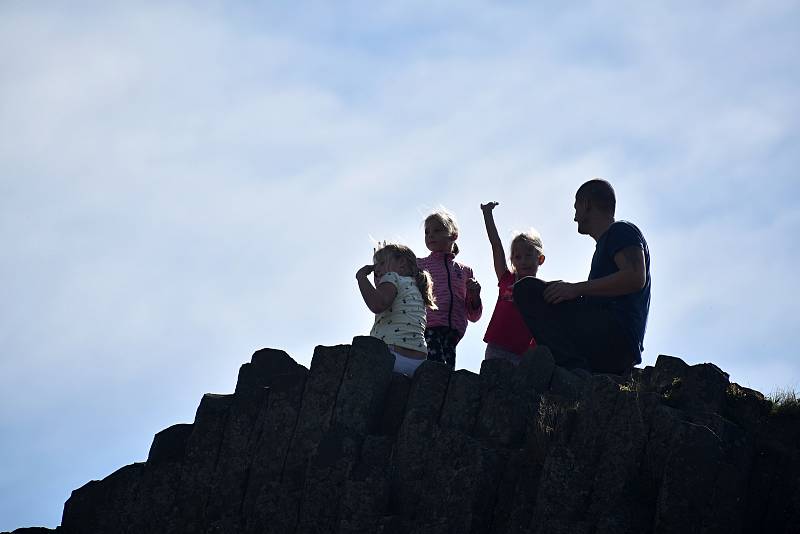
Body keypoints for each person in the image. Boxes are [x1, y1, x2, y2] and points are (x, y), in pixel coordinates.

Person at [513, 179, 650, 374]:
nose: (575, 217)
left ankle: (571, 366)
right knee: (544, 292)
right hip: (607, 340)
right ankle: (574, 366)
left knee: (527, 290)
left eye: (576, 207)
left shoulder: (621, 231)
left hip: (617, 337)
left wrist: (575, 289)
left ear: (586, 205)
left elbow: (635, 277)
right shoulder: (604, 246)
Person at [356, 243, 437, 376]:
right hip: (418, 360)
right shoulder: (417, 288)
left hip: (392, 354)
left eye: (381, 263)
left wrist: (361, 277)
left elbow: (377, 304)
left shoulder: (392, 277)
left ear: (402, 263)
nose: (377, 270)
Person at [480, 202, 544, 364]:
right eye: (517, 257)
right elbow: (496, 246)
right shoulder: (506, 279)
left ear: (540, 258)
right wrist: (487, 214)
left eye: (528, 255)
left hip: (522, 353)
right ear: (512, 261)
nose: (523, 261)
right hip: (496, 347)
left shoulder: (542, 290)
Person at [417, 209, 482, 369]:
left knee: (447, 370)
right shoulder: (420, 265)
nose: (430, 235)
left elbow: (473, 315)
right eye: (427, 232)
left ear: (453, 235)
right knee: (435, 366)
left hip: (454, 329)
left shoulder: (465, 271)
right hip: (429, 325)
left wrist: (475, 295)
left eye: (437, 230)